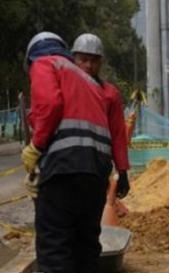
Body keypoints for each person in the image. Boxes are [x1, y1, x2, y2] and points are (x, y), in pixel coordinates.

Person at [20, 31, 113, 273]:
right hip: (97, 169)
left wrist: (36, 147)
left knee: (55, 236)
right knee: (85, 235)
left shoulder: (46, 64)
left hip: (65, 164)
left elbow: (49, 105)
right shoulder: (90, 81)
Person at [71, 33, 131, 202]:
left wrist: (123, 171)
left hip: (98, 169)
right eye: (83, 60)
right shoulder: (64, 90)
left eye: (94, 60)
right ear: (73, 59)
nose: (89, 65)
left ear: (101, 62)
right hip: (68, 167)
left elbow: (118, 134)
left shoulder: (110, 95)